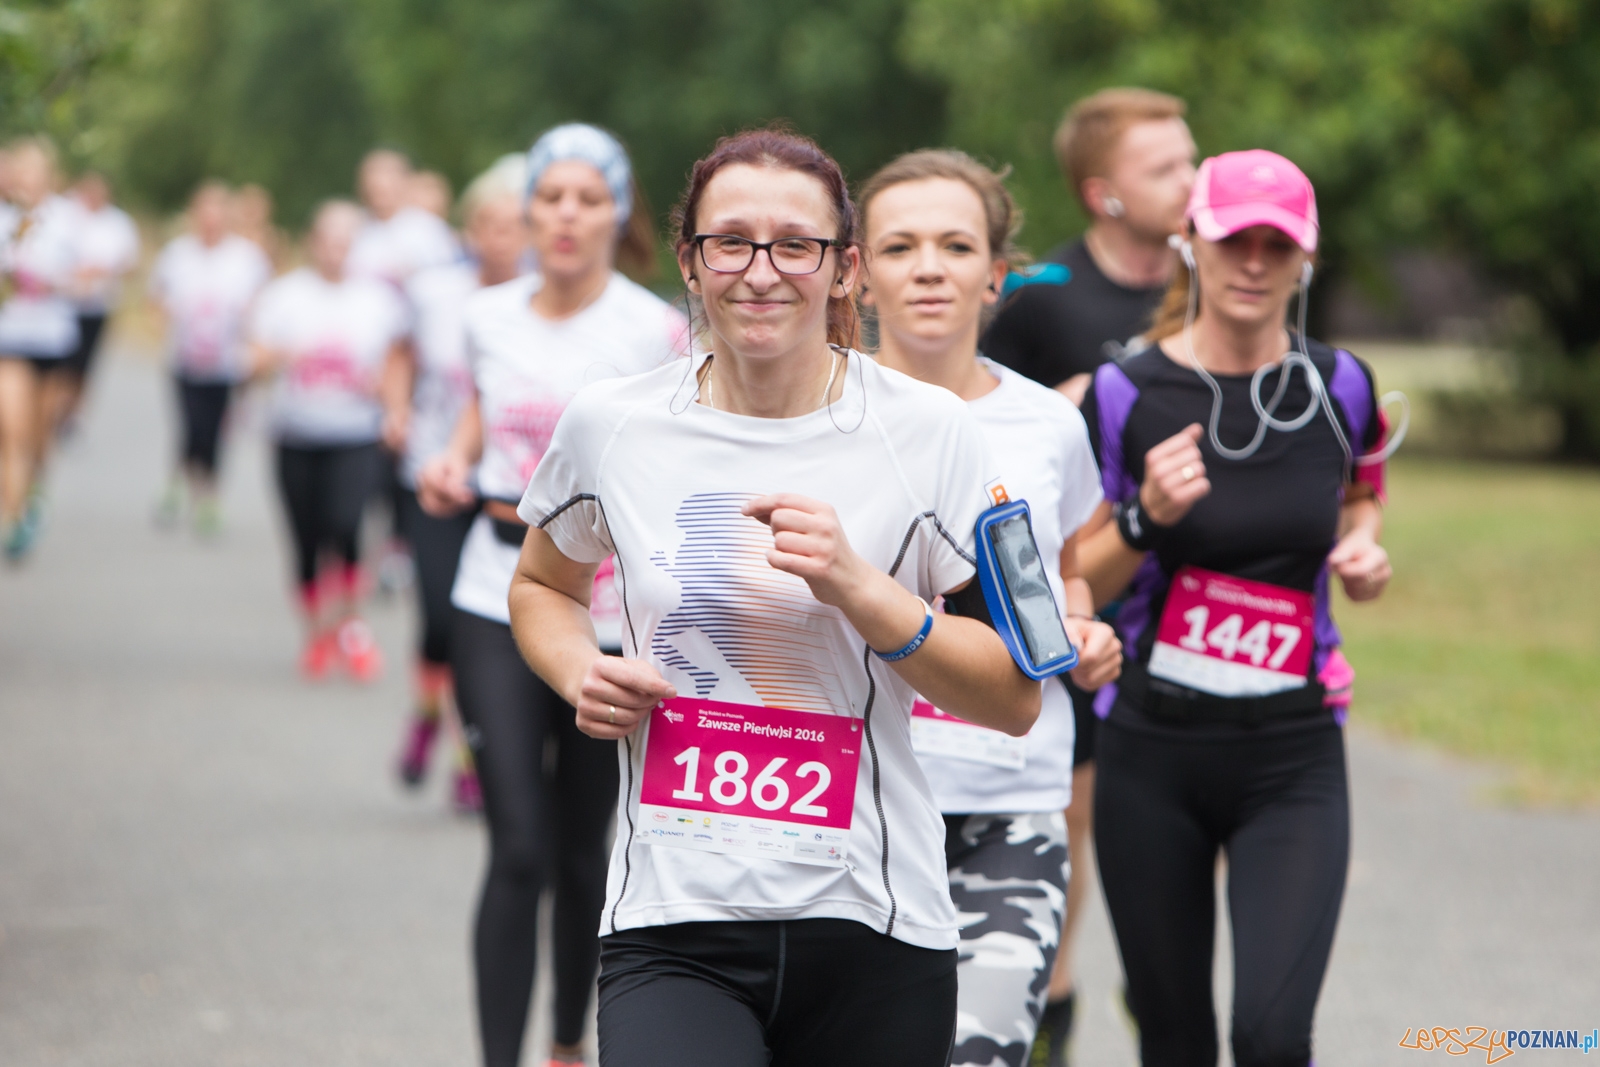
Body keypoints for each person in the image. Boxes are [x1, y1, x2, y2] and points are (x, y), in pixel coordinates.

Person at [507, 125, 1043, 1067]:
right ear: (690, 259)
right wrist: (578, 668)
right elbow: (542, 583)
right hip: (674, 917)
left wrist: (862, 590)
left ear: (845, 269)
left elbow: (1014, 695)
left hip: (874, 921)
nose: (762, 271)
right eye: (732, 242)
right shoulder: (614, 424)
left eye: (796, 244)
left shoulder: (933, 433)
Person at [1077, 150, 1392, 1067]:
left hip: (1291, 753)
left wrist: (1363, 547)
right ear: (1190, 243)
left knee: (1271, 1033)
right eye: (1232, 240)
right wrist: (1148, 515)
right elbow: (1081, 580)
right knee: (1176, 1040)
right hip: (1151, 751)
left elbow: (1360, 491)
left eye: (1275, 244)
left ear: (1305, 257)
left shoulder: (1342, 384)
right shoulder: (1125, 390)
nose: (1252, 262)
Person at [416, 125, 684, 1067]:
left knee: (583, 854)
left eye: (588, 198)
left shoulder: (653, 329)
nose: (567, 216)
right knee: (517, 847)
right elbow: (483, 417)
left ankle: (568, 1043)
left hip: (608, 615)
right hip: (495, 591)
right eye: (550, 197)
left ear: (619, 212)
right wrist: (450, 462)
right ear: (526, 210)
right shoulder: (485, 316)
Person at [860, 148, 1126, 1067]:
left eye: (955, 244)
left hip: (1011, 805)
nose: (929, 266)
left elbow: (1062, 572)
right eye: (899, 246)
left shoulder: (1049, 422)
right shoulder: (821, 418)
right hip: (856, 808)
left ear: (996, 275)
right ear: (857, 272)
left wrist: (1083, 628)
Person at [979, 88, 1197, 1064]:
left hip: (1190, 608)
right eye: (1166, 169)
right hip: (1083, 594)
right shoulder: (1044, 294)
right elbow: (975, 430)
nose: (1191, 182)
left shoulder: (1216, 278)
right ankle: (1046, 1018)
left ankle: (1161, 984)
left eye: (1193, 160)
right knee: (1068, 823)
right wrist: (1063, 404)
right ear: (1105, 194)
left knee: (1174, 832)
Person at [384, 155, 531, 813]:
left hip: (510, 486)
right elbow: (401, 354)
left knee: (487, 630)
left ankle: (470, 752)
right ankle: (424, 714)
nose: (499, 236)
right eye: (487, 223)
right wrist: (395, 408)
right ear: (468, 228)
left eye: (513, 225)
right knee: (441, 620)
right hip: (436, 473)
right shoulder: (434, 292)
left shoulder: (540, 301)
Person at [249, 200, 406, 680]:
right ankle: (317, 634)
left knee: (346, 524)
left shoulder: (379, 300)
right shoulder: (284, 295)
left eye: (346, 241)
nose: (336, 250)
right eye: (328, 239)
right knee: (306, 540)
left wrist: (391, 399)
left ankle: (351, 625)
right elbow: (250, 359)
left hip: (355, 435)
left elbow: (400, 362)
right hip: (295, 434)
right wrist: (280, 355)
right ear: (312, 242)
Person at [149, 181, 274, 535]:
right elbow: (155, 297)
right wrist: (166, 316)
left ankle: (209, 495)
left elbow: (263, 307)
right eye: (204, 212)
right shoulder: (177, 254)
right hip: (184, 359)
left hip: (227, 363)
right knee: (190, 426)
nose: (210, 220)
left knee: (215, 431)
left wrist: (254, 344)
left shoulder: (247, 258)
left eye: (217, 213)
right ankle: (180, 483)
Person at [0, 136, 80, 562]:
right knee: (12, 430)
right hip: (8, 339)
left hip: (52, 338)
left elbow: (84, 275)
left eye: (35, 173)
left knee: (39, 436)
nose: (26, 181)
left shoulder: (66, 219)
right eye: (21, 173)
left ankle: (32, 493)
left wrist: (54, 280)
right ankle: (14, 519)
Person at [62, 171, 140, 429]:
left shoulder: (119, 223)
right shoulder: (67, 215)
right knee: (64, 364)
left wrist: (106, 270)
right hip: (66, 304)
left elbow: (131, 264)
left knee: (85, 364)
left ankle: (74, 411)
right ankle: (59, 406)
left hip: (98, 305)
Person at [348, 149, 461, 288]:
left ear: (405, 183)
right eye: (374, 184)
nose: (380, 189)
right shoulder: (351, 227)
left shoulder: (429, 229)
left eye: (388, 183)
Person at [230, 184, 288, 270]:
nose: (250, 210)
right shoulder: (229, 235)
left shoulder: (272, 237)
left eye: (256, 206)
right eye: (247, 205)